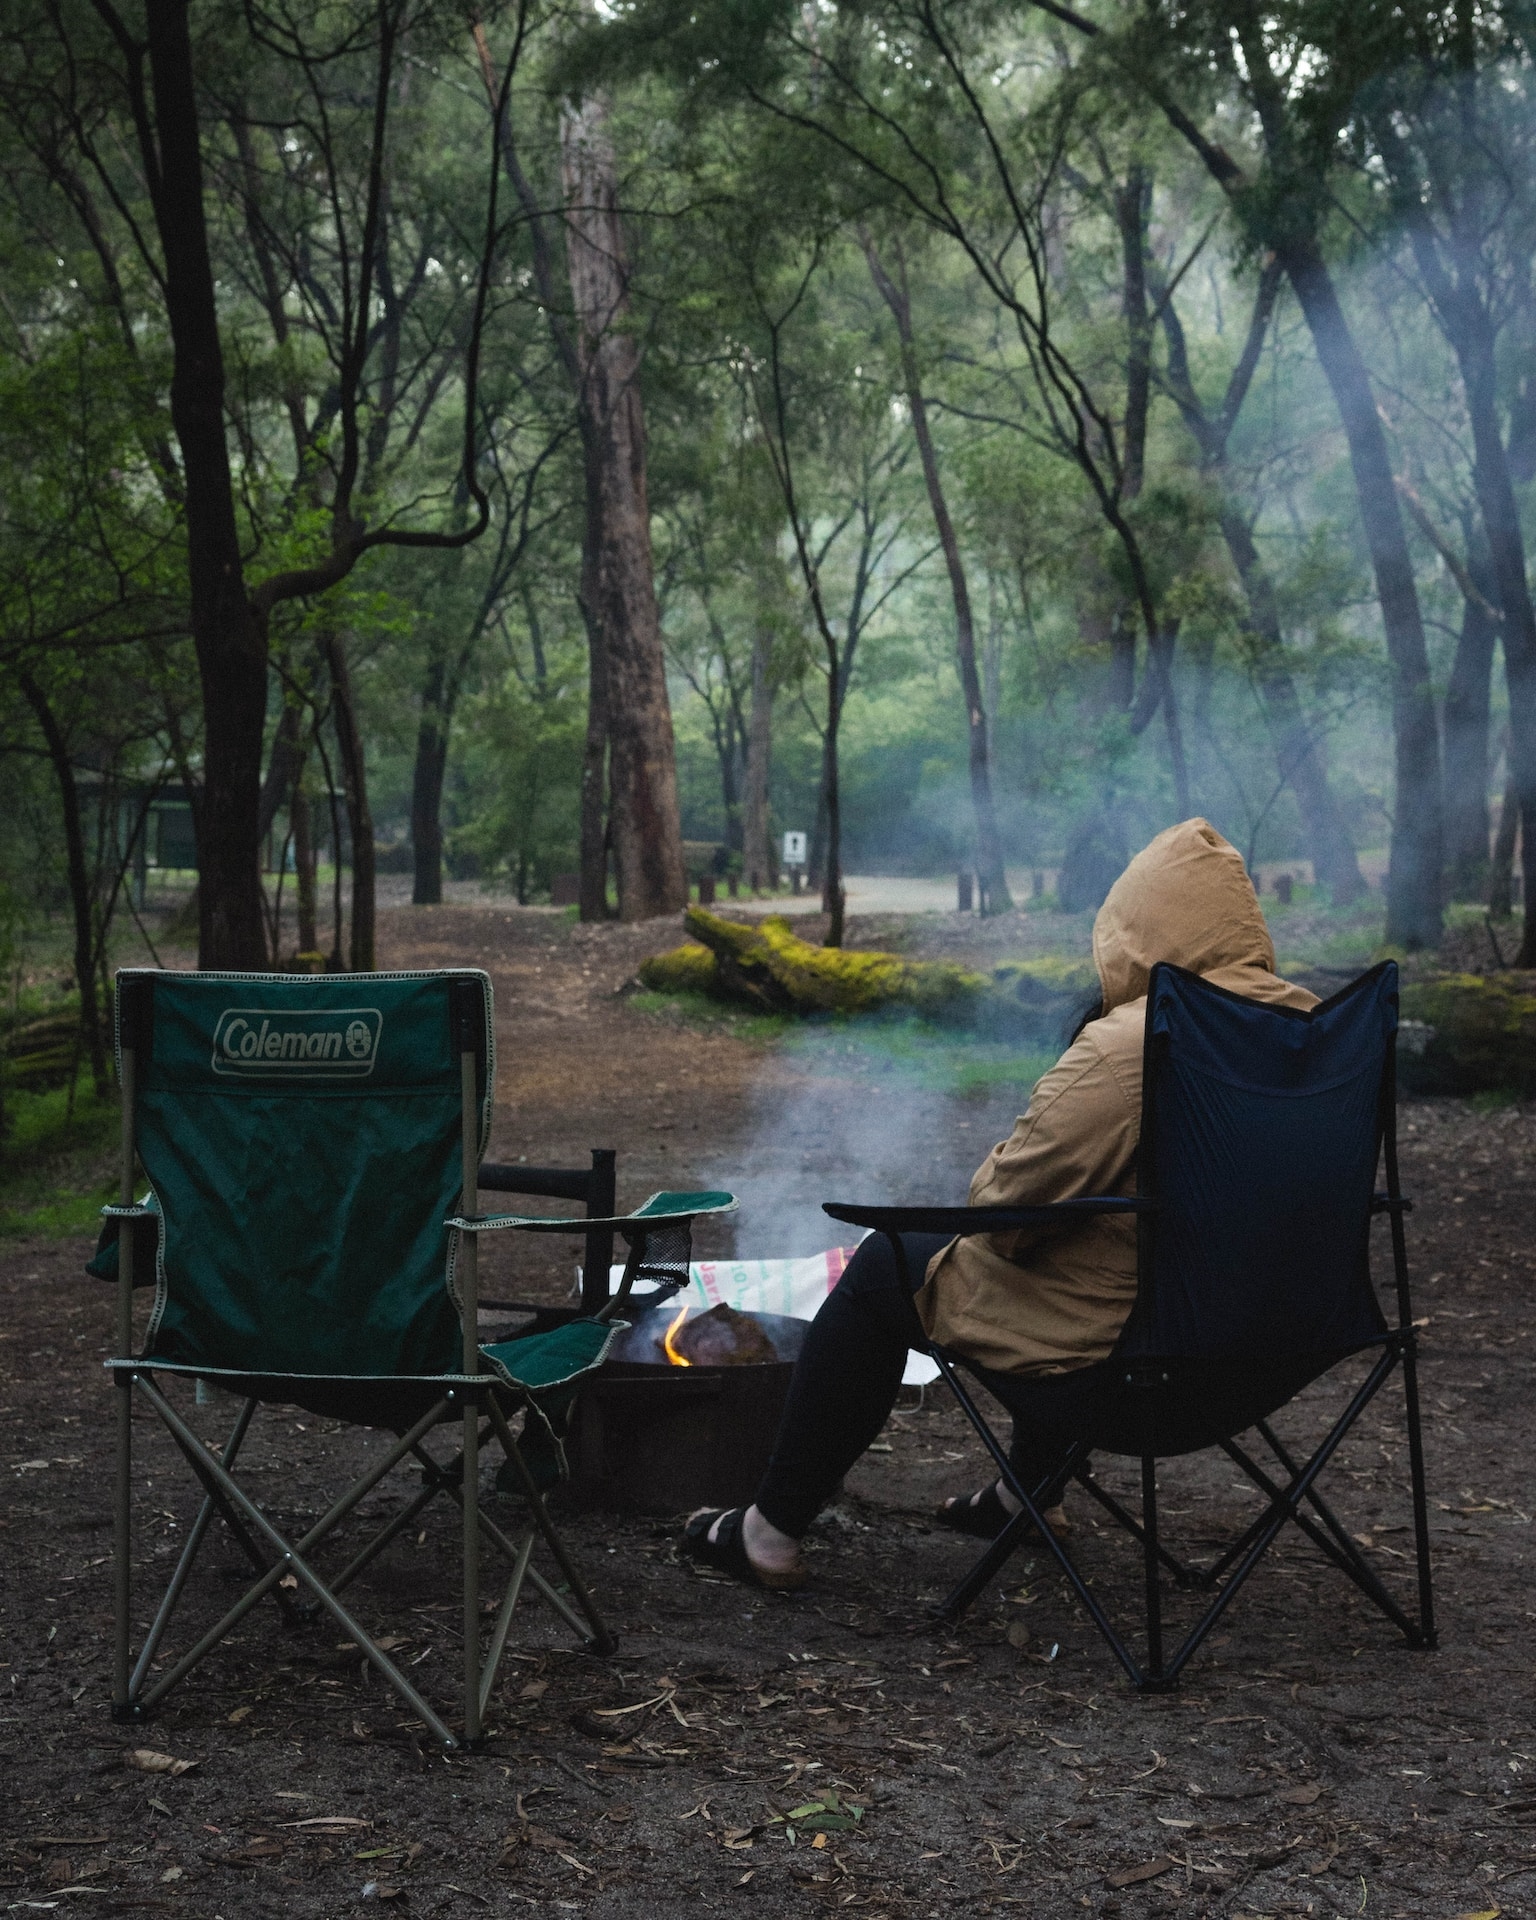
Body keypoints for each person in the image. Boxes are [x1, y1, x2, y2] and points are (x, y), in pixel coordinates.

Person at [680, 818, 1319, 1590]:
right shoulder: (1313, 1031)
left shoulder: (1137, 1043)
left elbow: (1007, 1214)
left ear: (1132, 936)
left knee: (890, 1263)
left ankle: (768, 1532)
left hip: (1145, 1369)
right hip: (1277, 1346)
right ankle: (1028, 1496)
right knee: (1087, 1256)